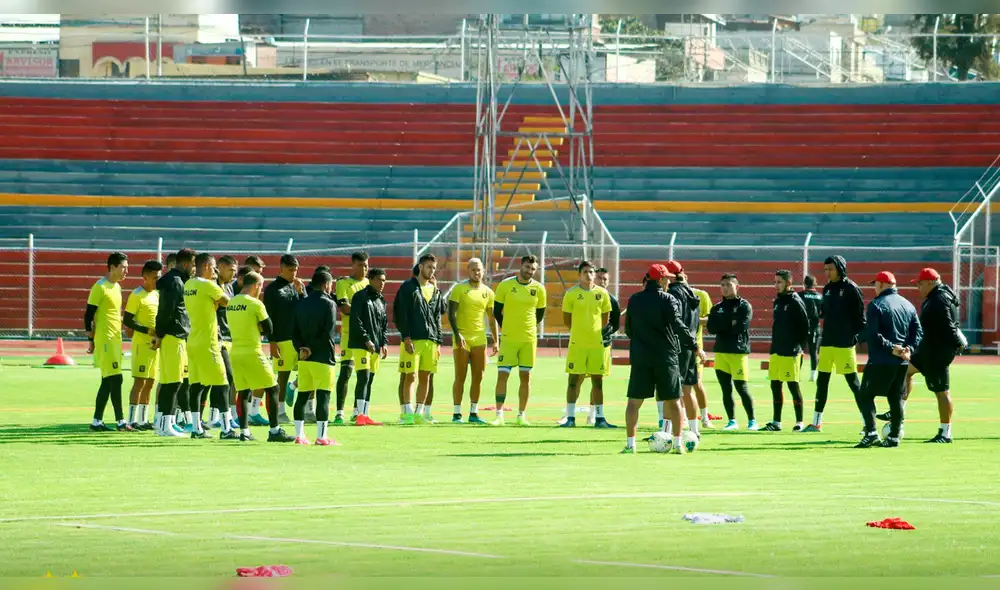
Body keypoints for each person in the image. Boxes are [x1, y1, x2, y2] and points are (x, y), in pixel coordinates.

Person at [621, 264, 705, 454]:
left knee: (634, 402)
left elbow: (628, 329)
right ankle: (677, 444)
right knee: (674, 400)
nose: (669, 281)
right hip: (665, 356)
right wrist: (695, 346)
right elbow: (678, 325)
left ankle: (630, 444)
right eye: (667, 278)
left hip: (641, 357)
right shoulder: (669, 299)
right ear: (660, 280)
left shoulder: (634, 299)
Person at [883, 268, 963, 443]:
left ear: (929, 282)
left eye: (920, 283)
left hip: (937, 353)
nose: (917, 287)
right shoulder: (939, 295)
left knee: (941, 391)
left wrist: (957, 342)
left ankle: (945, 433)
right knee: (904, 371)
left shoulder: (939, 299)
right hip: (927, 350)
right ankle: (899, 411)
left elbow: (948, 324)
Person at [854, 271, 922, 448]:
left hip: (881, 359)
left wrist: (893, 348)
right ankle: (894, 437)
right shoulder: (908, 305)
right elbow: (918, 332)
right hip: (902, 361)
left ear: (882, 285)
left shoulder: (876, 305)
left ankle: (871, 433)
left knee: (865, 395)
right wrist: (908, 348)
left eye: (875, 284)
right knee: (896, 397)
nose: (874, 288)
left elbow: (874, 334)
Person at [226, 270, 295, 443]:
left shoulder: (231, 302)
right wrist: (259, 328)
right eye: (260, 286)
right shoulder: (255, 304)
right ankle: (274, 431)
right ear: (256, 285)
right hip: (253, 351)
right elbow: (269, 328)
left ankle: (244, 432)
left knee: (243, 391)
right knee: (273, 388)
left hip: (236, 352)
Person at [802, 256, 866, 433]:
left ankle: (868, 422)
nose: (827, 273)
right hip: (827, 343)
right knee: (822, 382)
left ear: (840, 268)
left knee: (853, 383)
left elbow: (861, 318)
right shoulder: (828, 288)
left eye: (831, 269)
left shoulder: (852, 288)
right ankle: (816, 423)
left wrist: (855, 337)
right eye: (825, 269)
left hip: (844, 344)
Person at [492, 255, 547, 426]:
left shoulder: (539, 289)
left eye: (532, 269)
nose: (529, 271)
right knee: (502, 375)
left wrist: (527, 328)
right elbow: (496, 311)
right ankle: (499, 415)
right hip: (509, 339)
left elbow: (539, 314)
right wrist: (507, 326)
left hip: (528, 340)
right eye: (527, 267)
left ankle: (521, 415)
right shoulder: (506, 285)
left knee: (526, 376)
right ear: (520, 266)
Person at [560, 261, 614, 428]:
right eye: (585, 272)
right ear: (579, 274)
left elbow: (605, 318)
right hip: (577, 344)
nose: (589, 275)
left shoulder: (602, 294)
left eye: (591, 272)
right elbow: (566, 319)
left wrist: (594, 333)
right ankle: (570, 417)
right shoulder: (571, 294)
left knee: (598, 381)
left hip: (596, 345)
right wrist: (579, 332)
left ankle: (599, 417)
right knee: (573, 380)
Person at [183, 253, 232, 439]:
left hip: (193, 339)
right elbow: (227, 302)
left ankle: (196, 428)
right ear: (206, 266)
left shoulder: (189, 285)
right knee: (223, 383)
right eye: (213, 267)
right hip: (208, 342)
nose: (215, 271)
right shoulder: (209, 285)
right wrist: (218, 285)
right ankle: (227, 429)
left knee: (197, 385)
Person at [395, 254, 445, 425]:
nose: (431, 270)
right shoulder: (408, 287)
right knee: (411, 376)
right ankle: (407, 414)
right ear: (421, 267)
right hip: (413, 339)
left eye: (433, 267)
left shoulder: (435, 290)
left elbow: (438, 316)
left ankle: (419, 413)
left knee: (426, 377)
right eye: (429, 267)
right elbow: (401, 313)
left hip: (431, 340)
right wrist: (406, 337)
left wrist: (438, 342)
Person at [448, 257, 498, 424]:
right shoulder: (459, 289)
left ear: (483, 271)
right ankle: (456, 414)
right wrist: (457, 334)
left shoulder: (488, 292)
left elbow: (492, 319)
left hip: (479, 338)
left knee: (478, 376)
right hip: (462, 338)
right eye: (473, 270)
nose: (476, 272)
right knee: (460, 376)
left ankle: (473, 413)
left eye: (479, 270)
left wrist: (495, 340)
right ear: (468, 271)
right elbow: (451, 313)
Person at [152, 248, 195, 438]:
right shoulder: (176, 282)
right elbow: (166, 311)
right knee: (173, 383)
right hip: (173, 336)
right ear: (185, 264)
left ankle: (164, 423)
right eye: (193, 264)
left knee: (171, 382)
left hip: (173, 336)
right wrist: (159, 333)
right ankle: (165, 426)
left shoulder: (174, 280)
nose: (194, 269)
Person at [292, 270, 339, 445]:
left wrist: (302, 348)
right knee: (323, 396)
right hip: (323, 356)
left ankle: (299, 435)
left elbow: (294, 331)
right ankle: (321, 436)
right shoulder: (329, 304)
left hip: (304, 358)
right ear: (326, 284)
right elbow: (328, 333)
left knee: (302, 396)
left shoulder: (301, 303)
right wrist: (312, 348)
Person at [85, 252, 129, 432]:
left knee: (107, 381)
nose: (127, 270)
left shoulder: (116, 287)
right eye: (124, 267)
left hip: (115, 340)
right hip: (105, 340)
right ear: (113, 267)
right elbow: (88, 315)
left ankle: (97, 421)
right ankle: (120, 421)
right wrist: (91, 340)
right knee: (116, 379)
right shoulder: (100, 287)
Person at [760, 270, 809, 432]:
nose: (776, 285)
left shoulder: (795, 301)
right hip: (776, 351)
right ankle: (776, 422)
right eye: (774, 282)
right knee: (775, 385)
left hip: (791, 352)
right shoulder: (777, 301)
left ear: (788, 283)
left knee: (793, 386)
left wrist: (797, 347)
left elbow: (805, 327)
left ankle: (799, 422)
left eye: (779, 282)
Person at [707, 274, 756, 431]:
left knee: (741, 388)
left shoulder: (744, 306)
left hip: (738, 352)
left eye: (728, 284)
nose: (725, 288)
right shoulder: (717, 307)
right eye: (722, 285)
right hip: (721, 352)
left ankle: (752, 421)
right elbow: (711, 328)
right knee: (725, 389)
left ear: (737, 286)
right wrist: (728, 322)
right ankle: (732, 421)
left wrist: (723, 323)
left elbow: (740, 327)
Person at [263, 254, 306, 424]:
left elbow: (305, 310)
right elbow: (268, 317)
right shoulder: (272, 289)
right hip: (281, 339)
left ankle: (305, 404)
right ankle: (280, 411)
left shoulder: (297, 286)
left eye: (296, 270)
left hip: (299, 339)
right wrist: (272, 342)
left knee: (307, 371)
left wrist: (302, 293)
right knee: (282, 375)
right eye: (290, 270)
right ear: (281, 268)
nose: (294, 273)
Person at [663, 260, 702, 437]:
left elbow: (674, 321)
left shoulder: (672, 294)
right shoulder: (692, 293)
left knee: (670, 391)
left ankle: (666, 433)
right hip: (690, 344)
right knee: (687, 389)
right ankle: (695, 431)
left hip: (676, 345)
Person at [123, 260, 162, 431]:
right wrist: (146, 330)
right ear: (145, 277)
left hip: (155, 346)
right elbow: (127, 320)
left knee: (151, 382)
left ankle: (143, 419)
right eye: (154, 277)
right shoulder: (137, 295)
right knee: (140, 381)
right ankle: (131, 420)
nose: (157, 281)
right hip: (141, 344)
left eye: (159, 277)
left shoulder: (157, 294)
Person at [349, 268, 390, 425]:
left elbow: (383, 324)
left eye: (384, 280)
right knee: (363, 377)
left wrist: (384, 343)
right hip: (361, 345)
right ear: (370, 280)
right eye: (379, 280)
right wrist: (366, 339)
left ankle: (365, 414)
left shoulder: (381, 300)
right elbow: (356, 320)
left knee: (370, 379)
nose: (382, 283)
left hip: (376, 346)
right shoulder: (360, 297)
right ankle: (359, 414)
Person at [334, 252, 370, 425]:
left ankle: (357, 412)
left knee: (364, 375)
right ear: (353, 265)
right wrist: (362, 310)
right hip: (349, 334)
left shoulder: (369, 284)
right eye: (360, 265)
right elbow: (344, 308)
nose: (364, 268)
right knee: (346, 372)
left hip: (365, 336)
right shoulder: (343, 283)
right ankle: (339, 413)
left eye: (366, 265)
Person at [212, 255, 238, 430]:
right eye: (231, 270)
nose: (233, 275)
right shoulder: (211, 286)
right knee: (224, 377)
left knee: (225, 378)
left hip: (228, 336)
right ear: (220, 267)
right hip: (215, 337)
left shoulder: (229, 286)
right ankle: (221, 418)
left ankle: (218, 417)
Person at [691, 283, 715, 428]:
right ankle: (684, 418)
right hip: (676, 348)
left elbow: (709, 320)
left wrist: (692, 319)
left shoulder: (701, 295)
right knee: (678, 387)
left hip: (695, 347)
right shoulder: (669, 294)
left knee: (697, 383)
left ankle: (705, 417)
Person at [799, 275, 823, 382]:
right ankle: (813, 375)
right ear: (815, 284)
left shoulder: (799, 295)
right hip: (814, 327)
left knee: (799, 351)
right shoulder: (820, 296)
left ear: (804, 284)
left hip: (801, 327)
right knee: (813, 352)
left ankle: (796, 373)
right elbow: (823, 313)